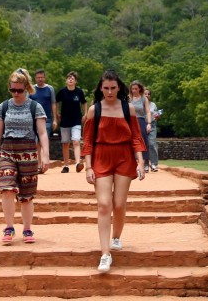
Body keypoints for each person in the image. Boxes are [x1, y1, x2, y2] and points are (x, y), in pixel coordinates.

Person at [82, 69, 146, 272]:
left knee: (118, 203)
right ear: (100, 88)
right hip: (101, 156)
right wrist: (88, 167)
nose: (109, 92)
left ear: (119, 88)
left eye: (113, 88)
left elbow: (136, 137)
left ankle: (116, 236)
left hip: (124, 156)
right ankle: (105, 254)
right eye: (106, 88)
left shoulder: (129, 109)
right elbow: (88, 140)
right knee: (103, 204)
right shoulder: (95, 110)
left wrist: (141, 161)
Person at [0, 69, 50, 245]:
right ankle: (9, 227)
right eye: (12, 90)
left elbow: (43, 133)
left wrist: (45, 155)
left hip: (28, 150)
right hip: (8, 149)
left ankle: (27, 228)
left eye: (19, 90)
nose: (16, 94)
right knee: (7, 188)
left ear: (27, 89)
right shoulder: (4, 106)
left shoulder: (34, 107)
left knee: (26, 195)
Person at [55, 71, 87, 173]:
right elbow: (56, 102)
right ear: (66, 80)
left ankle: (78, 163)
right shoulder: (62, 92)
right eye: (68, 78)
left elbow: (84, 102)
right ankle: (66, 165)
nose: (70, 80)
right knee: (65, 144)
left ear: (75, 81)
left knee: (76, 141)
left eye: (72, 78)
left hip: (76, 120)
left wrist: (85, 113)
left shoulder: (79, 92)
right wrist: (56, 113)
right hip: (64, 120)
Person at [128, 80, 152, 171]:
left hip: (141, 120)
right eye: (132, 89)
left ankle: (145, 163)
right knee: (129, 141)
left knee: (143, 141)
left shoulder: (143, 98)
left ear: (139, 89)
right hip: (130, 121)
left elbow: (148, 112)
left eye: (136, 89)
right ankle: (132, 162)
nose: (134, 90)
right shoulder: (128, 98)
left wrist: (149, 123)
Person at [30, 69, 57, 140]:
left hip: (47, 119)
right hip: (33, 119)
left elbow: (53, 103)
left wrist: (55, 119)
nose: (40, 79)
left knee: (44, 141)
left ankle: (44, 151)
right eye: (38, 77)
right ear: (35, 78)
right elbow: (27, 104)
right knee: (35, 142)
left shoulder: (50, 88)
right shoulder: (31, 89)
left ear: (44, 78)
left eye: (41, 77)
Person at [145, 88, 161, 172]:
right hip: (142, 124)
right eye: (145, 94)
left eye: (148, 94)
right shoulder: (139, 105)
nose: (147, 95)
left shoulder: (153, 105)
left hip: (152, 125)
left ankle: (154, 164)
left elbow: (156, 115)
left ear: (150, 96)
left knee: (152, 143)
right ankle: (146, 165)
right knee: (144, 145)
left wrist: (158, 116)